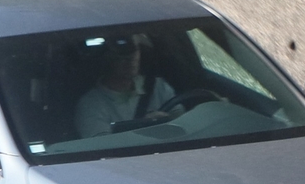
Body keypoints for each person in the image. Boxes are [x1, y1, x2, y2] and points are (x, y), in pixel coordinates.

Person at [72, 41, 211, 138]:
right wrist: (144, 127)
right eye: (122, 53)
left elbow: (183, 123)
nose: (130, 58)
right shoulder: (91, 105)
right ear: (106, 58)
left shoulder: (158, 86)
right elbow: (102, 148)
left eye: (134, 50)